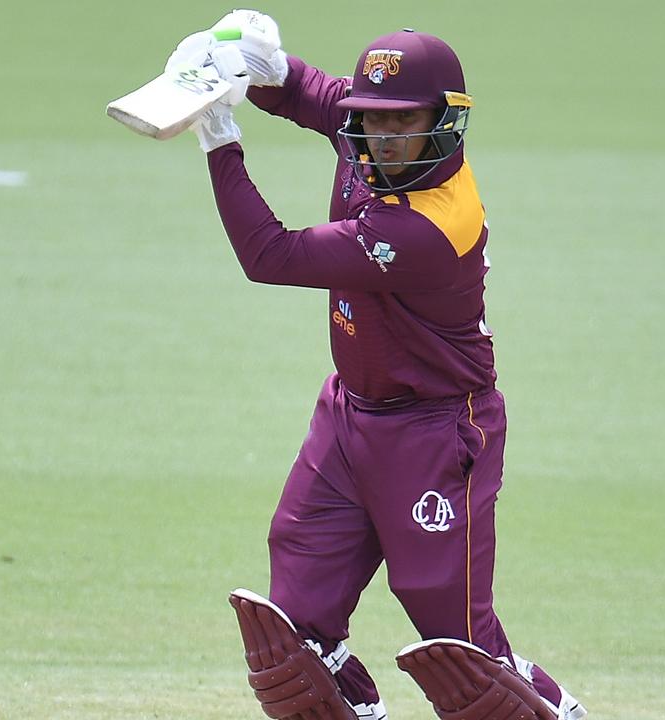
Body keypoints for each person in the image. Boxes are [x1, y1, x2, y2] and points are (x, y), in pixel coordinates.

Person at [162, 11, 588, 720]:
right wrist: (260, 63)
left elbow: (269, 256)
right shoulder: (370, 136)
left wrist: (218, 134)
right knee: (291, 636)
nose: (382, 137)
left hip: (438, 431)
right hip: (349, 415)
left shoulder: (426, 225)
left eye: (402, 121)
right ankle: (353, 705)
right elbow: (312, 94)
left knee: (459, 653)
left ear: (444, 122)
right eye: (372, 119)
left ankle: (554, 710)